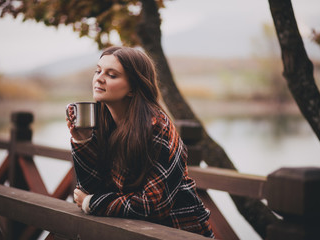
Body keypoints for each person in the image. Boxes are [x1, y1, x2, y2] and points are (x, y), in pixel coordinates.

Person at [66, 46, 214, 238]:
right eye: (98, 70)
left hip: (178, 233)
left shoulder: (156, 127)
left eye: (112, 75)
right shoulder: (104, 121)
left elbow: (152, 205)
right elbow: (91, 188)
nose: (99, 78)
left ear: (133, 88)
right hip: (135, 232)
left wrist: (92, 203)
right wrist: (82, 140)